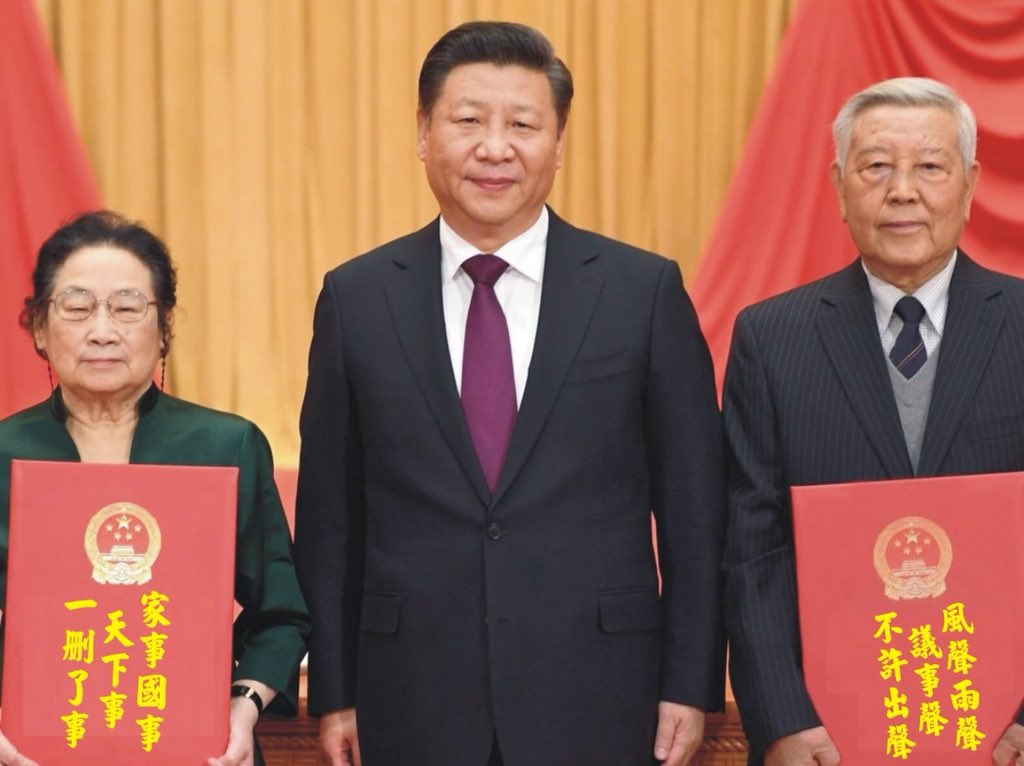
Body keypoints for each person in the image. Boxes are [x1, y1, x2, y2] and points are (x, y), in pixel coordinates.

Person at [294, 19, 726, 766]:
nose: (495, 149)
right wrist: (335, 691)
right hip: (411, 695)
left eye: (523, 125)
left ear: (558, 144)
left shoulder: (641, 291)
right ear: (423, 133)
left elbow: (695, 509)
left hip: (600, 690)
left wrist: (690, 683)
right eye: (468, 121)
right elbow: (330, 518)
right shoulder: (356, 298)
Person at [722, 77, 1024, 765]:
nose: (902, 191)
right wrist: (783, 721)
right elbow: (751, 546)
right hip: (830, 734)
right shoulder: (773, 338)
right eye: (877, 166)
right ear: (839, 187)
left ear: (970, 185)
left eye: (930, 166)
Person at [0, 210, 309, 766]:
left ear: (164, 329)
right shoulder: (5, 452)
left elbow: (282, 614)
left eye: (127, 308)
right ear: (40, 328)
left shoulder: (226, 446)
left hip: (198, 750)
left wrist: (242, 708)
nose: (102, 331)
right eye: (76, 308)